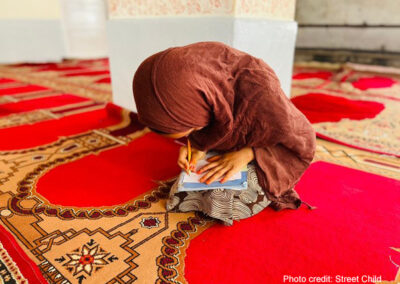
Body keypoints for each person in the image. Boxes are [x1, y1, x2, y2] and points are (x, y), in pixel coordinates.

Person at [132, 41, 316, 225]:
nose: (193, 134)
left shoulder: (263, 95)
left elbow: (302, 140)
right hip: (230, 139)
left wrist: (247, 154)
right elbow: (212, 125)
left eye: (193, 130)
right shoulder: (201, 86)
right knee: (185, 187)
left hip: (270, 152)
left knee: (222, 196)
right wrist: (197, 146)